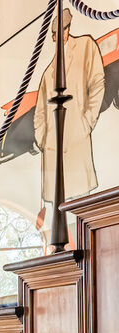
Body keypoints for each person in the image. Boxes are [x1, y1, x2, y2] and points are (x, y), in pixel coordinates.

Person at [33, 8, 106, 230]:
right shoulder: (48, 73)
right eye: (53, 33)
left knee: (83, 205)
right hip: (53, 147)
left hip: (77, 135)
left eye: (60, 31)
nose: (57, 36)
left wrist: (87, 122)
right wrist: (42, 139)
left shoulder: (85, 47)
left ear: (67, 29)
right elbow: (40, 113)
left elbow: (97, 83)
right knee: (60, 210)